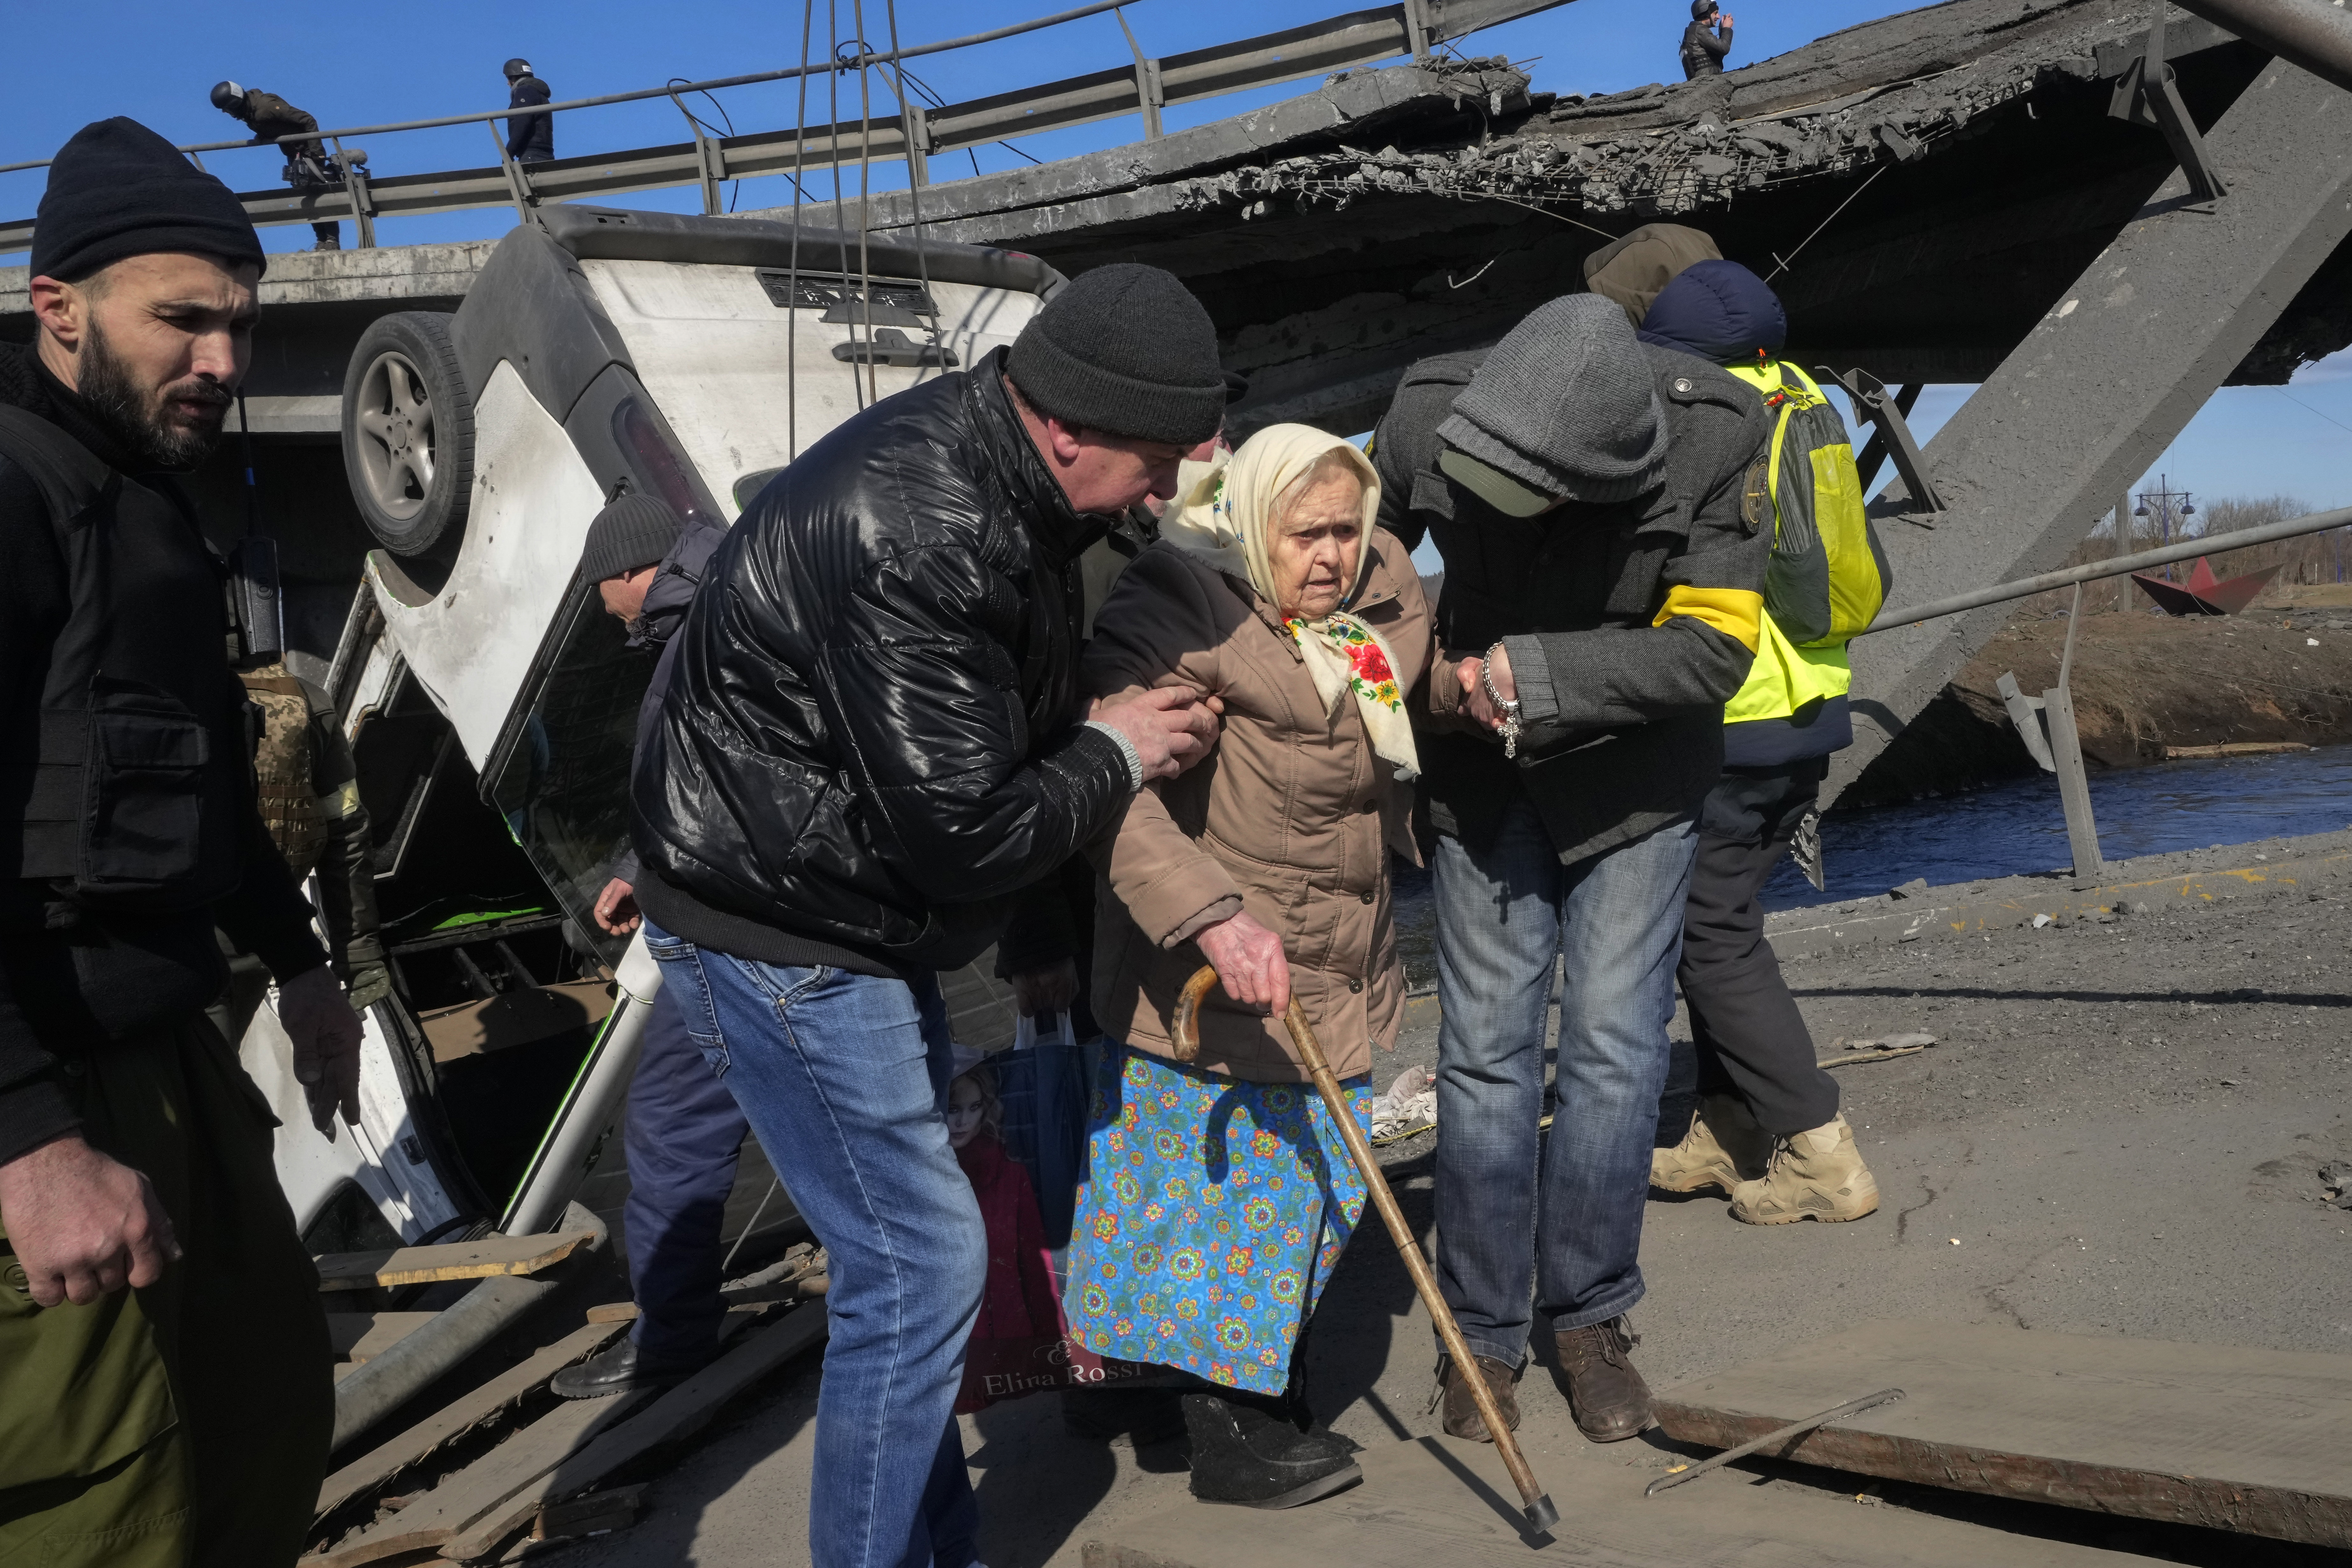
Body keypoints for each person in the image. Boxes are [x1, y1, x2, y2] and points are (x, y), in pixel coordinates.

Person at [628, 262, 1228, 1568]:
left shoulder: (1013, 489)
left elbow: (980, 735)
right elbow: (963, 829)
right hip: (775, 919)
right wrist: (1117, 748)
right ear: (1067, 428)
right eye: (1155, 462)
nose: (1165, 496)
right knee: (916, 1265)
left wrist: (1042, 944)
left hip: (835, 891)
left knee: (917, 1260)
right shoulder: (925, 525)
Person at [0, 116, 366, 1567]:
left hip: (171, 1054)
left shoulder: (147, 503)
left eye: (243, 327)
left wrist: (303, 965)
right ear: (58, 310)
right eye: (184, 321)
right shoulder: (16, 492)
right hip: (42, 1078)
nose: (224, 362)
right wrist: (28, 1139)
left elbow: (202, 778)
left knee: (262, 1423)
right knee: (103, 1506)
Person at [1370, 293, 1770, 1446]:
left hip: (1636, 785)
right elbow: (1335, 595)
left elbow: (1714, 643)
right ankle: (1483, 1334)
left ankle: (1589, 1316)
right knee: (1486, 1054)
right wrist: (1424, 682)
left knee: (1611, 1046)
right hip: (1476, 780)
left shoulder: (1720, 431)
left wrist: (1534, 675)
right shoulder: (1420, 417)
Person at [1063, 425, 1435, 1508]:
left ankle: (1161, 1387)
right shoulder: (1176, 607)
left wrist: (1458, 685)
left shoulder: (1372, 598)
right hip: (1212, 971)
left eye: (1345, 529)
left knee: (1260, 1196)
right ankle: (1228, 1424)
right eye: (1303, 532)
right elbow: (1107, 791)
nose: (1330, 555)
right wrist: (1211, 918)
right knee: (1229, 1202)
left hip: (1336, 953)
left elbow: (1401, 669)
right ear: (1247, 524)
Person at [1586, 242, 1887, 1225]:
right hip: (1810, 701)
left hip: (1730, 707)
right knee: (1730, 922)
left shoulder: (1690, 414)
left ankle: (1819, 1150)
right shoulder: (1799, 396)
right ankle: (1730, 1128)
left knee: (1703, 935)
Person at [531, 492, 757, 1399]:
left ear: (633, 571)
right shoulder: (739, 602)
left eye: (599, 589)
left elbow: (728, 787)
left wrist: (662, 877)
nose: (600, 608)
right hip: (771, 909)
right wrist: (637, 862)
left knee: (670, 1122)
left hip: (728, 925)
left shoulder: (700, 636)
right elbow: (698, 777)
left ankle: (671, 1336)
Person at [211, 659, 392, 1042]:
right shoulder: (304, 698)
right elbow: (347, 832)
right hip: (264, 949)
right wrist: (358, 956)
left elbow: (345, 828)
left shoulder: (130, 687)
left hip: (165, 955)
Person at [944, 1060, 1063, 1414]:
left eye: (973, 1107)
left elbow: (1033, 1259)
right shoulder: (925, 1183)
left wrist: (1048, 1340)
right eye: (952, 1109)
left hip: (1011, 1331)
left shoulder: (1010, 1173)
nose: (963, 1120)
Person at [209, 81, 340, 252]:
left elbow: (308, 120)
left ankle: (332, 241)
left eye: (227, 108)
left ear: (235, 103)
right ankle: (322, 242)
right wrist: (261, 136)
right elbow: (273, 127)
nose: (226, 113)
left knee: (318, 195)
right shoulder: (249, 112)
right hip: (294, 156)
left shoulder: (267, 106)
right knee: (307, 197)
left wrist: (317, 155)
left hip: (308, 153)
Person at [504, 59, 555, 165]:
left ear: (513, 78)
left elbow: (522, 122)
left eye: (508, 79)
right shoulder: (537, 92)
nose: (507, 83)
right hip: (544, 154)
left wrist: (508, 154)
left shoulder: (524, 91)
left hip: (532, 156)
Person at [1682, 0, 1735, 80]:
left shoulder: (1693, 30)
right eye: (1715, 13)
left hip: (1704, 79)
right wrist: (1727, 29)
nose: (1719, 17)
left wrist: (1722, 30)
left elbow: (1717, 55)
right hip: (1707, 79)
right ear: (1705, 13)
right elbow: (1724, 48)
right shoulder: (1700, 31)